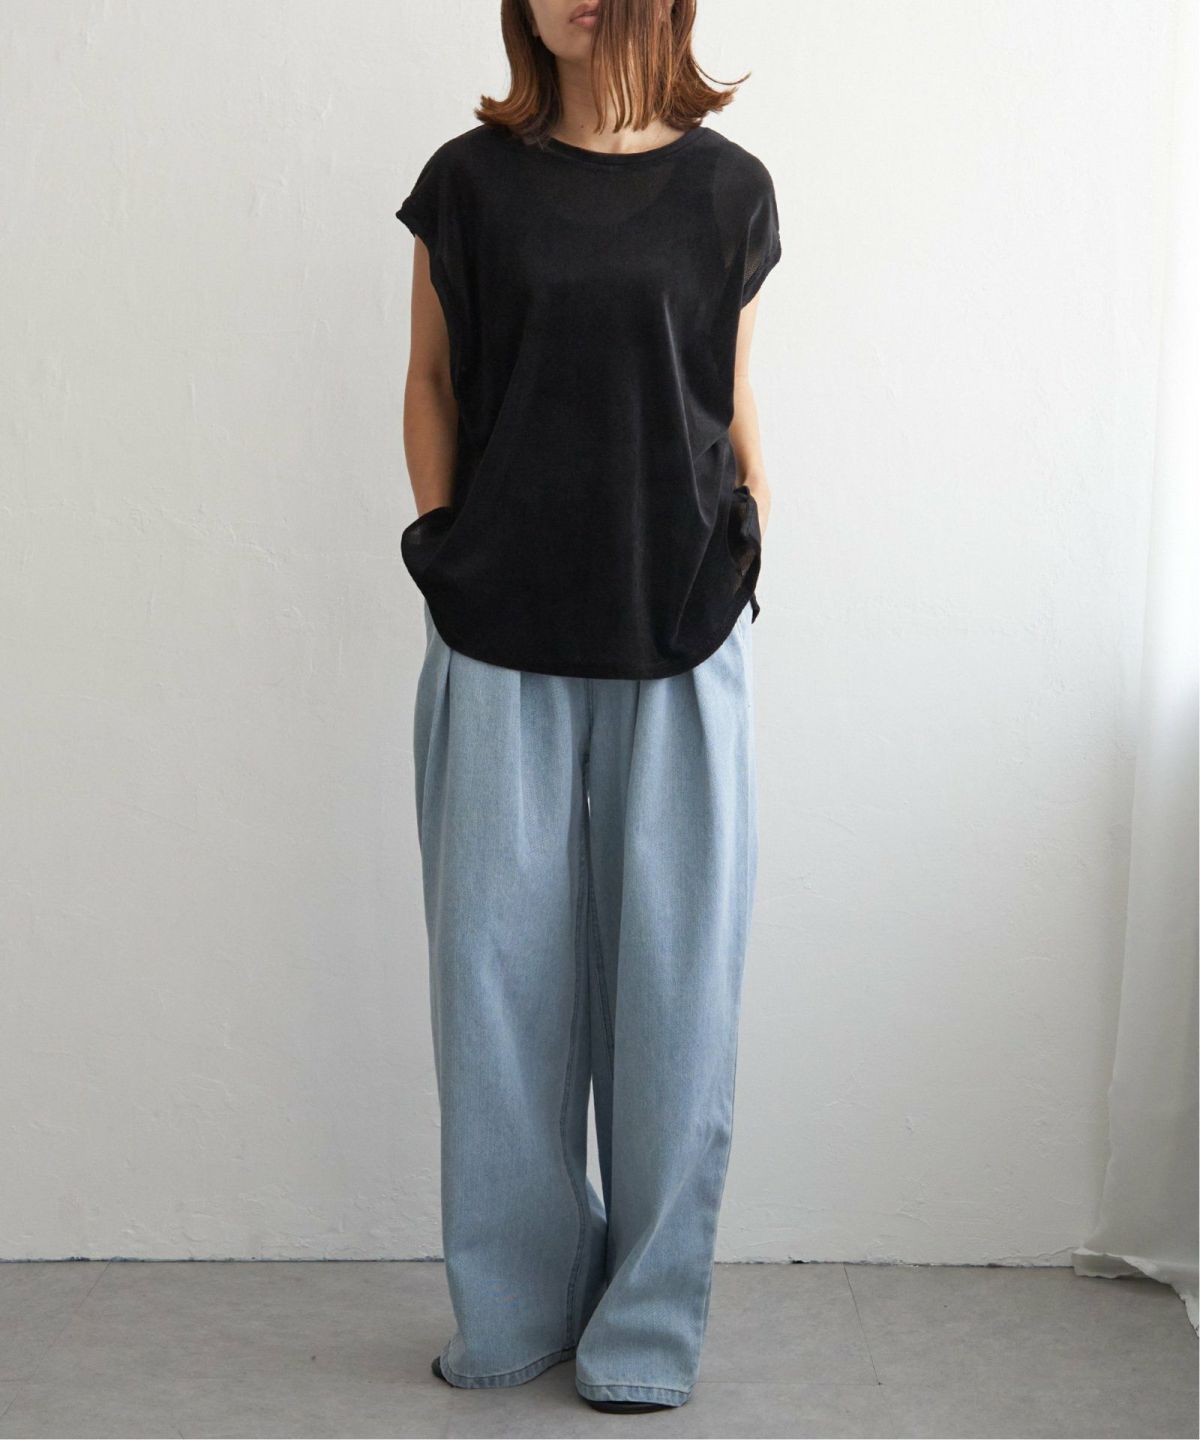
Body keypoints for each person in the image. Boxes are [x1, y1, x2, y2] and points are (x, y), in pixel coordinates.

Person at [395, 0, 781, 1415]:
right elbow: (430, 383)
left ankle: (644, 1332)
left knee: (677, 994)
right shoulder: (467, 183)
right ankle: (513, 1313)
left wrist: (750, 542)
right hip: (496, 629)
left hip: (680, 627)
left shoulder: (729, 190)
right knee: (494, 992)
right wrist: (446, 548)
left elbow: (731, 398)